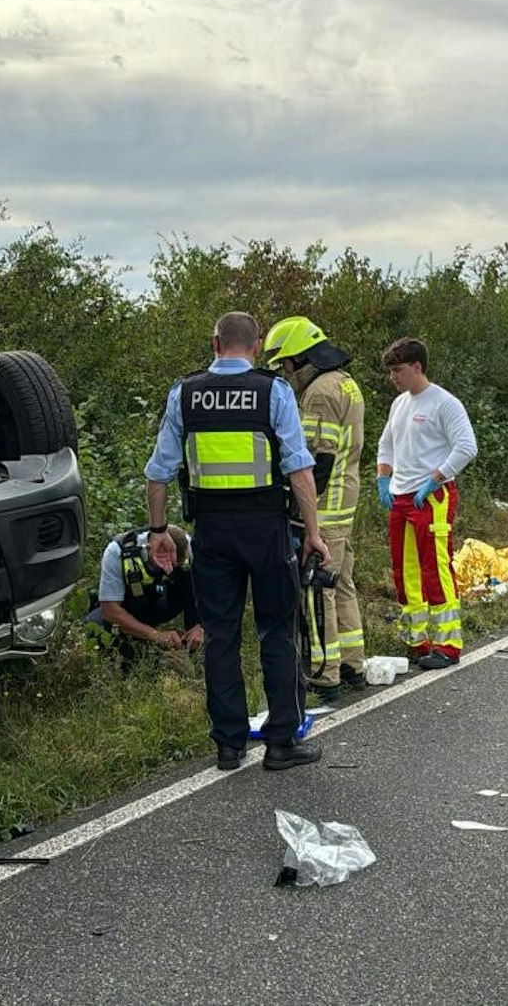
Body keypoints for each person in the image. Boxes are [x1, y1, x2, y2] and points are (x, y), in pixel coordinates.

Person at [143, 311, 329, 772]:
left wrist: (159, 531)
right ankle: (282, 741)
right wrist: (313, 533)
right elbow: (299, 469)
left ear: (214, 342)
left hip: (212, 533)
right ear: (258, 344)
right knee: (277, 631)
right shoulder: (274, 391)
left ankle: (228, 745)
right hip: (266, 529)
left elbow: (158, 472)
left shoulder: (184, 394)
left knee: (221, 636)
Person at [262, 315, 369, 699]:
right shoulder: (347, 384)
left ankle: (325, 674)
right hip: (346, 501)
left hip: (324, 508)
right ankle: (352, 663)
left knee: (316, 589)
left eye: (285, 364)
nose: (285, 374)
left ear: (301, 358)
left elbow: (314, 461)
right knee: (342, 584)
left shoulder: (320, 393)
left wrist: (299, 511)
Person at [375, 337, 477, 669]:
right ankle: (417, 640)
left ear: (417, 367)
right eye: (391, 371)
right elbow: (386, 443)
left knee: (435, 567)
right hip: (401, 497)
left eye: (398, 370)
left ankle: (448, 645)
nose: (394, 377)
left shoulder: (444, 403)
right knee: (405, 572)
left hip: (430, 497)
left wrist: (436, 478)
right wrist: (382, 476)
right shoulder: (399, 404)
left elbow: (466, 447)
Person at [89, 525, 202, 670]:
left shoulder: (191, 548)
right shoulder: (118, 552)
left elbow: (209, 590)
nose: (168, 569)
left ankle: (190, 642)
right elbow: (110, 610)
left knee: (192, 578)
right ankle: (144, 648)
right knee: (94, 626)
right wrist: (155, 635)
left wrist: (200, 626)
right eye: (163, 563)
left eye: (174, 565)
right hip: (131, 605)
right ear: (149, 548)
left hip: (164, 601)